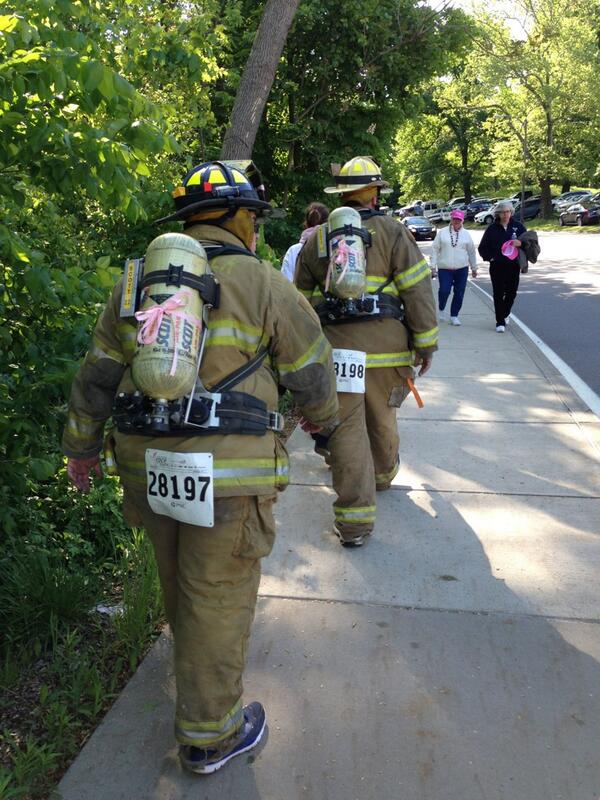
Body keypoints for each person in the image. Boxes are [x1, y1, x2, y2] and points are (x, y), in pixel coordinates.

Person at [62, 160, 338, 775]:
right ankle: (210, 735)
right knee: (216, 594)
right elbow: (313, 372)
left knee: (177, 580)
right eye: (254, 219)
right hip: (230, 476)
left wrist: (81, 450)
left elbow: (96, 377)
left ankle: (195, 689)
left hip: (148, 466)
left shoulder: (137, 285)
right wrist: (324, 422)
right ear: (241, 218)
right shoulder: (264, 282)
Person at [295, 156, 438, 547]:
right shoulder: (394, 232)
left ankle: (354, 524)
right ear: (374, 193)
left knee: (345, 430)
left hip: (338, 354)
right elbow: (417, 289)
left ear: (341, 194)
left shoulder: (318, 241)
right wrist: (426, 343)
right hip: (387, 352)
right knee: (383, 417)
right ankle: (381, 476)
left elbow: (302, 306)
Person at [478, 200, 526, 332]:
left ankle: (505, 313)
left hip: (513, 266)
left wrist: (520, 244)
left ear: (511, 212)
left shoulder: (518, 227)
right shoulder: (492, 229)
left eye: (508, 212)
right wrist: (491, 258)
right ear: (498, 214)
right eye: (503, 212)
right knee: (498, 293)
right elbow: (483, 248)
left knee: (511, 293)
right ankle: (500, 322)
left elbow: (528, 244)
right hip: (497, 266)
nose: (505, 214)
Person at [430, 209, 477, 326]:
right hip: (445, 268)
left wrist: (474, 267)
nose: (456, 221)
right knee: (444, 291)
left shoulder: (466, 234)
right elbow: (435, 249)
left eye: (459, 219)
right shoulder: (443, 233)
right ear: (451, 219)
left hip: (462, 268)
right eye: (454, 219)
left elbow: (471, 252)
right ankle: (441, 308)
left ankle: (454, 315)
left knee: (459, 292)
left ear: (462, 221)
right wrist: (433, 266)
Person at [281, 202, 329, 282]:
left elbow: (286, 283)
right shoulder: (335, 249)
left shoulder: (293, 251)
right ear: (327, 223)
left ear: (306, 223)